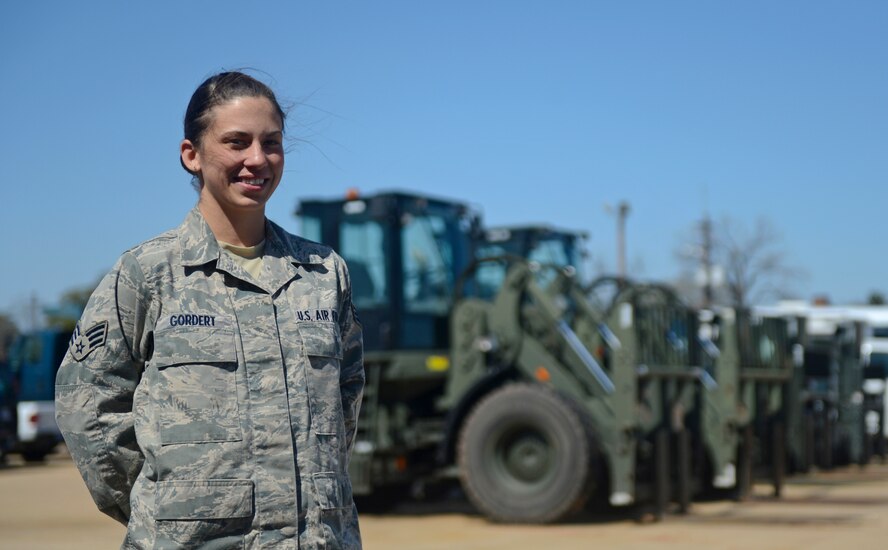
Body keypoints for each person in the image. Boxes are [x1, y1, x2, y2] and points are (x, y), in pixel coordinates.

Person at [55, 71, 365, 549]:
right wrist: (167, 505)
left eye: (271, 143)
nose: (257, 160)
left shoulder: (323, 274)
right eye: (237, 142)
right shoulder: (149, 273)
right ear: (191, 155)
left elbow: (344, 407)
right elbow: (88, 406)